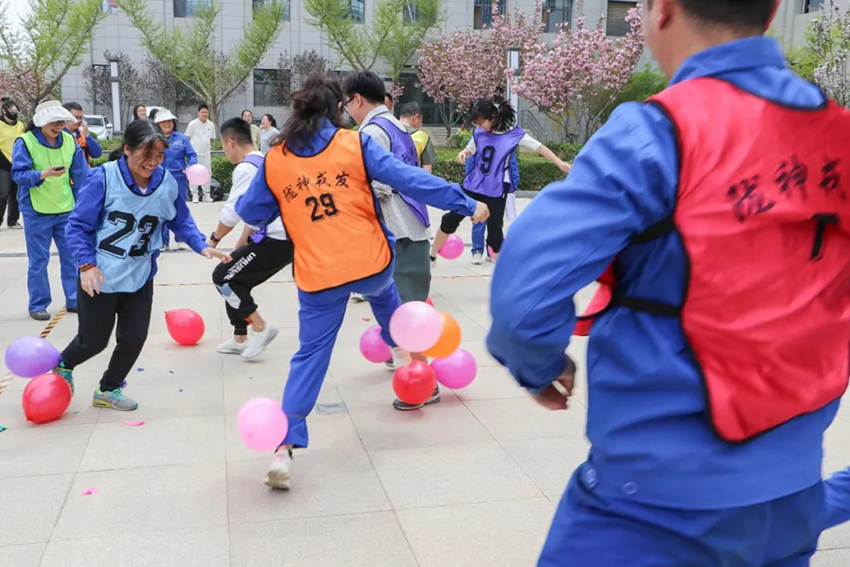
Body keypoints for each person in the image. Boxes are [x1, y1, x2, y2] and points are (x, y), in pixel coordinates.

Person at [486, 0, 850, 564]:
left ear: (662, 11)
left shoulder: (658, 132)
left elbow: (524, 302)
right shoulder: (838, 135)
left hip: (652, 512)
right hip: (788, 502)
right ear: (773, 11)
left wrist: (539, 367)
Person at [235, 71, 488, 488]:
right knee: (385, 294)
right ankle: (404, 353)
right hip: (369, 262)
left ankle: (284, 446)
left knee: (310, 355)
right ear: (338, 108)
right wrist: (465, 202)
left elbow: (251, 212)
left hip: (319, 274)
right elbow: (410, 179)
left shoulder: (276, 157)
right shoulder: (354, 143)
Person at [53, 119, 230, 410]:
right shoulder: (103, 178)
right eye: (146, 155)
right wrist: (86, 265)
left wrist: (201, 244)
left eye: (159, 155)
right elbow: (78, 226)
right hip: (100, 276)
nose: (152, 162)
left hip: (139, 275)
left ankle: (108, 389)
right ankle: (63, 365)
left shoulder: (166, 182)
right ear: (127, 149)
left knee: (134, 338)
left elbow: (179, 218)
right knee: (93, 340)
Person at [343, 73, 440, 387]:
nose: (348, 111)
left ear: (358, 99)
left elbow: (377, 183)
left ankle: (424, 383)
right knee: (405, 303)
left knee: (405, 309)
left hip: (397, 229)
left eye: (347, 104)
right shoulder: (398, 126)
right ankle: (400, 349)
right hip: (412, 224)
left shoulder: (370, 132)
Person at [430, 99, 569, 266]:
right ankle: (432, 256)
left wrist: (560, 163)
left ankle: (502, 266)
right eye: (476, 123)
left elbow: (538, 147)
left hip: (496, 188)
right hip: (475, 184)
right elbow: (470, 150)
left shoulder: (513, 134)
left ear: (493, 118)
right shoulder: (479, 132)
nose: (479, 126)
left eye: (481, 122)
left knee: (495, 232)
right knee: (451, 218)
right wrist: (463, 153)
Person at [210, 118, 291, 359]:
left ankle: (260, 327)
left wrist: (213, 240)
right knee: (233, 273)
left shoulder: (245, 168)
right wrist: (243, 240)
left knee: (223, 277)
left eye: (223, 146)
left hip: (276, 240)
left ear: (230, 142)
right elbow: (256, 209)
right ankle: (239, 337)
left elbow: (232, 212)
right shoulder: (263, 161)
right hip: (279, 237)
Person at [11, 101, 87, 321]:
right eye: (53, 122)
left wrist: (84, 205)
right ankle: (38, 304)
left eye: (61, 121)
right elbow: (19, 175)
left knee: (72, 258)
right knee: (39, 260)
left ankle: (74, 299)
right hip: (36, 210)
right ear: (41, 122)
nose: (58, 126)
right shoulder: (25, 142)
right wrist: (43, 174)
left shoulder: (70, 141)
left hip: (66, 208)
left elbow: (81, 175)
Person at [153, 109, 198, 250]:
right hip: (160, 179)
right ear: (158, 124)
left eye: (170, 121)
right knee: (162, 210)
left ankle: (181, 240)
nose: (167, 124)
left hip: (179, 178)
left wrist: (189, 167)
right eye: (164, 121)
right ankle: (163, 241)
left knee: (180, 209)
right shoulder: (154, 139)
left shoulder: (181, 138)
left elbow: (192, 155)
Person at [0, 98, 24, 229]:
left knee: (16, 194)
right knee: (3, 192)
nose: (14, 113)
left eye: (16, 110)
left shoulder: (21, 125)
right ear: (4, 111)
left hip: (17, 163)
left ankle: (13, 220)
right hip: (3, 164)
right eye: (11, 110)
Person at [185, 103, 215, 202]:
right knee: (194, 174)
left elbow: (212, 139)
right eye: (202, 112)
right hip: (195, 154)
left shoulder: (211, 125)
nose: (204, 114)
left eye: (206, 112)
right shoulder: (192, 124)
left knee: (207, 174)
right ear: (198, 113)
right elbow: (187, 138)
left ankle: (206, 194)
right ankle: (195, 194)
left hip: (206, 154)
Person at [398, 102, 436, 173]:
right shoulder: (423, 138)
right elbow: (427, 171)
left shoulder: (386, 131)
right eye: (421, 121)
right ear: (416, 118)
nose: (420, 125)